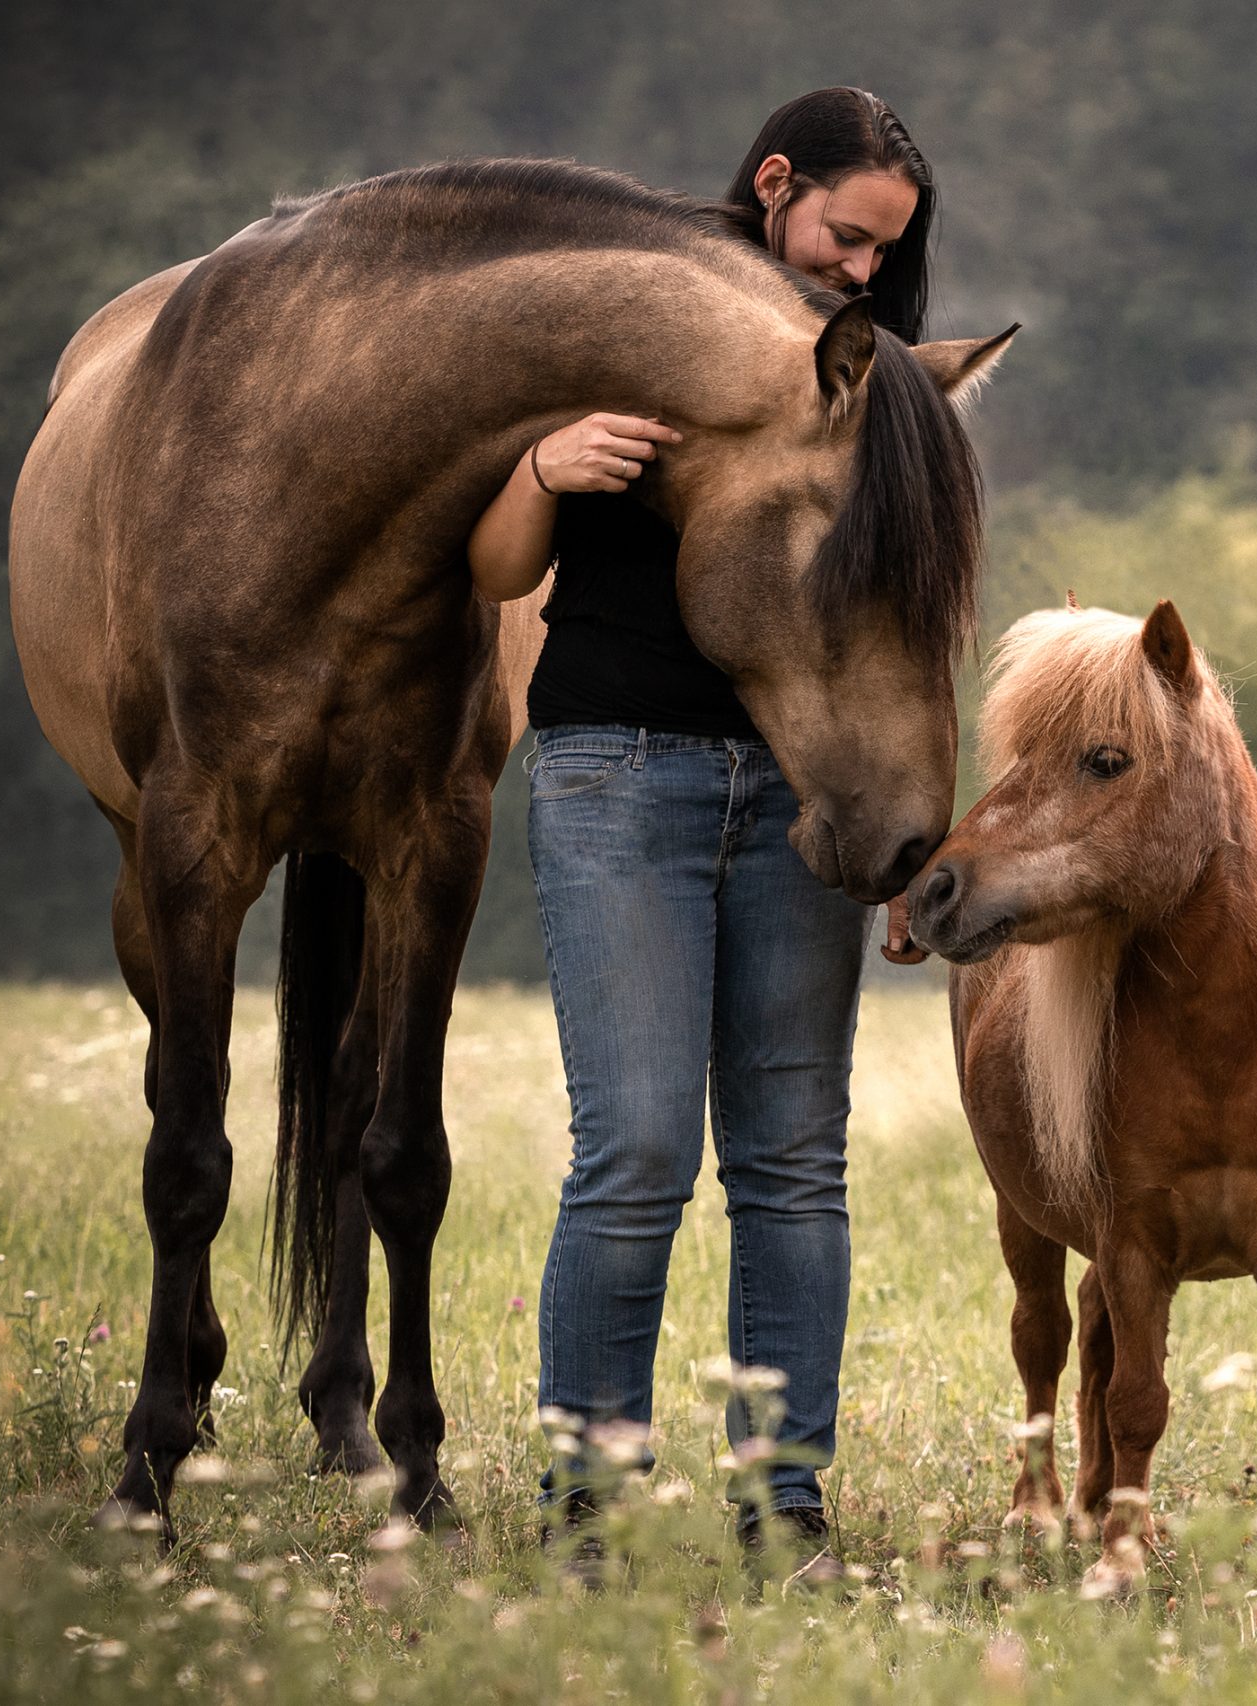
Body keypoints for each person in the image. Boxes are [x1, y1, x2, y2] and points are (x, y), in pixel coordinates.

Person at [467, 87, 938, 1573]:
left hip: (794, 794)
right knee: (641, 1144)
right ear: (775, 180)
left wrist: (899, 831)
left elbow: (895, 637)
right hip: (617, 773)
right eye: (847, 235)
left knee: (796, 1157)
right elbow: (492, 572)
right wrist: (545, 467)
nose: (862, 271)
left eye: (884, 255)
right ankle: (585, 1510)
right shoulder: (627, 317)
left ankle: (786, 1504)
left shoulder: (874, 377)